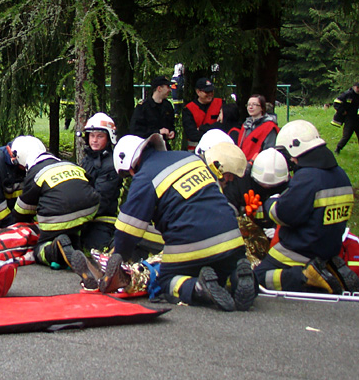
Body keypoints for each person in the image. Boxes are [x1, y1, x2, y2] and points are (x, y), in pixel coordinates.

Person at [100, 133, 256, 312]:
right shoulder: (190, 157)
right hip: (231, 237)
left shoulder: (145, 177)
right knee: (221, 271)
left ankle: (198, 288)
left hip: (192, 241)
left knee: (166, 281)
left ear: (130, 167)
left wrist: (119, 258)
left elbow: (127, 230)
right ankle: (236, 277)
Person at [254, 120, 359, 294]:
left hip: (300, 249)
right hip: (329, 246)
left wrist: (271, 203)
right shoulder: (341, 175)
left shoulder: (308, 178)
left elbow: (285, 214)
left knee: (258, 277)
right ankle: (328, 270)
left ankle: (305, 277)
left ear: (294, 148)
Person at [12, 136, 99, 270]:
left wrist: (14, 221)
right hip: (89, 211)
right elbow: (89, 184)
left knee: (39, 249)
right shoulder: (70, 164)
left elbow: (22, 210)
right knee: (72, 230)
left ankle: (55, 251)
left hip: (58, 218)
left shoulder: (35, 174)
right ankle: (75, 248)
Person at [78, 113, 122, 251]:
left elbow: (101, 201)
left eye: (100, 136)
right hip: (85, 216)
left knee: (97, 250)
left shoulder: (111, 165)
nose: (94, 140)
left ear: (109, 138)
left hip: (103, 220)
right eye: (92, 136)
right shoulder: (87, 160)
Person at [129, 76, 175, 148]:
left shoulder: (167, 106)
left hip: (164, 147)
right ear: (159, 88)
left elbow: (171, 124)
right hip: (146, 147)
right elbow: (136, 131)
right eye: (167, 87)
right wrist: (158, 132)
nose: (170, 90)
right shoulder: (142, 107)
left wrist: (172, 132)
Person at [182, 78, 223, 152]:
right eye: (207, 92)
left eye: (211, 91)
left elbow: (224, 126)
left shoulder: (220, 104)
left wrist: (201, 128)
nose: (210, 94)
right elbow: (192, 135)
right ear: (198, 92)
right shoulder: (188, 109)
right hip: (195, 151)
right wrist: (214, 130)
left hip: (217, 150)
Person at [236, 94, 279, 164]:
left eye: (254, 104)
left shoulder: (269, 126)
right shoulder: (245, 125)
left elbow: (269, 152)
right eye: (249, 104)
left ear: (262, 107)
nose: (250, 107)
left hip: (260, 166)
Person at [332, 82, 359, 158]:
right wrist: (342, 111)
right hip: (349, 118)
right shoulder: (347, 94)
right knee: (346, 136)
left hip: (358, 118)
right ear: (354, 87)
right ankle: (338, 148)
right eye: (357, 88)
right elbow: (336, 103)